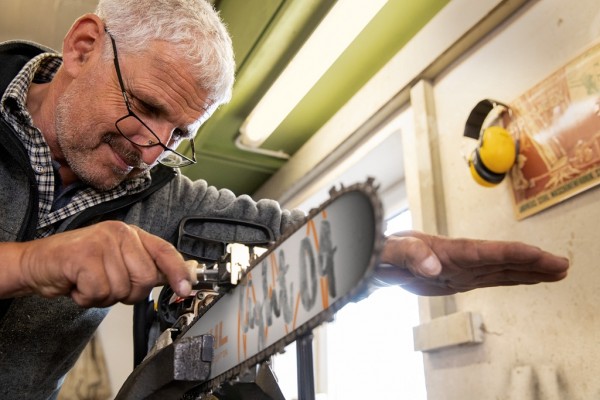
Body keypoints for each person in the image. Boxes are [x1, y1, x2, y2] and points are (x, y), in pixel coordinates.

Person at [0, 0, 569, 398]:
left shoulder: (158, 194)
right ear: (82, 48)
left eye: (176, 136)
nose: (150, 151)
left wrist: (381, 253)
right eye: (146, 108)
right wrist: (33, 262)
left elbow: (278, 230)